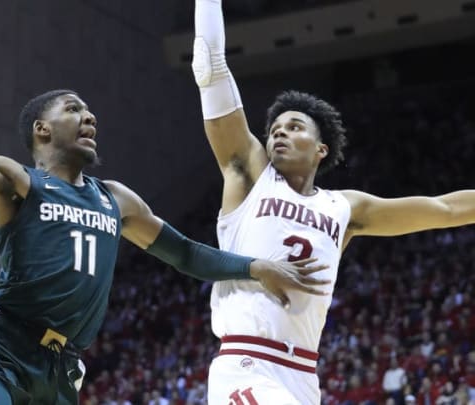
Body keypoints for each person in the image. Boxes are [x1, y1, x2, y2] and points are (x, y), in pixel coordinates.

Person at [0, 7, 331, 405]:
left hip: (63, 365)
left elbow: (186, 254)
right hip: (4, 344)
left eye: (89, 111)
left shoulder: (117, 200)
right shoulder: (16, 183)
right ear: (41, 130)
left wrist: (256, 267)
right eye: (73, 109)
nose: (88, 116)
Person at [191, 0, 475, 403]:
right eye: (274, 129)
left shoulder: (346, 209)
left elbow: (445, 209)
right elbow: (211, 67)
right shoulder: (251, 175)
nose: (279, 134)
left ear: (321, 148)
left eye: (294, 126)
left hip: (304, 375)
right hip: (247, 363)